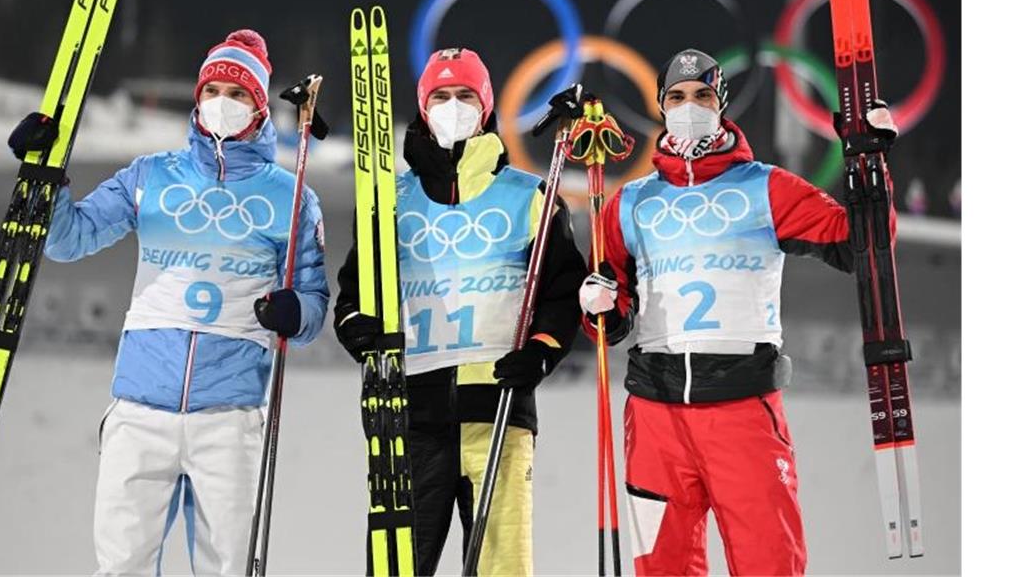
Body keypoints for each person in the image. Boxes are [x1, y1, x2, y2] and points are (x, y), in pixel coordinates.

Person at [10, 29, 329, 575]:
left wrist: (294, 311)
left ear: (258, 106)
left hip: (229, 415)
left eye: (238, 94)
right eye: (212, 90)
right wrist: (42, 175)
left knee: (228, 567)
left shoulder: (292, 194)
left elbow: (314, 302)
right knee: (121, 568)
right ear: (198, 97)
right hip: (140, 407)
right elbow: (68, 239)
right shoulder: (150, 176)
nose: (221, 104)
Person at [578, 49, 897, 576]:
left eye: (702, 95)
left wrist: (867, 161)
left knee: (769, 562)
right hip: (655, 419)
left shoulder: (763, 186)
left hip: (742, 409)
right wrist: (598, 307)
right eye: (677, 97)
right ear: (661, 105)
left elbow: (864, 242)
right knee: (661, 567)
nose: (689, 107)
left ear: (721, 103)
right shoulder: (630, 202)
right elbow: (612, 310)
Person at [334, 48, 587, 575]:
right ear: (424, 109)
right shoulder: (391, 200)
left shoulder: (530, 196)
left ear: (486, 105)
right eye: (441, 97)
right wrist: (355, 325)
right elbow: (356, 290)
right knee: (397, 567)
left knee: (500, 567)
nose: (453, 107)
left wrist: (540, 354)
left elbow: (563, 294)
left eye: (465, 96)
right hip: (410, 414)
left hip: (497, 411)